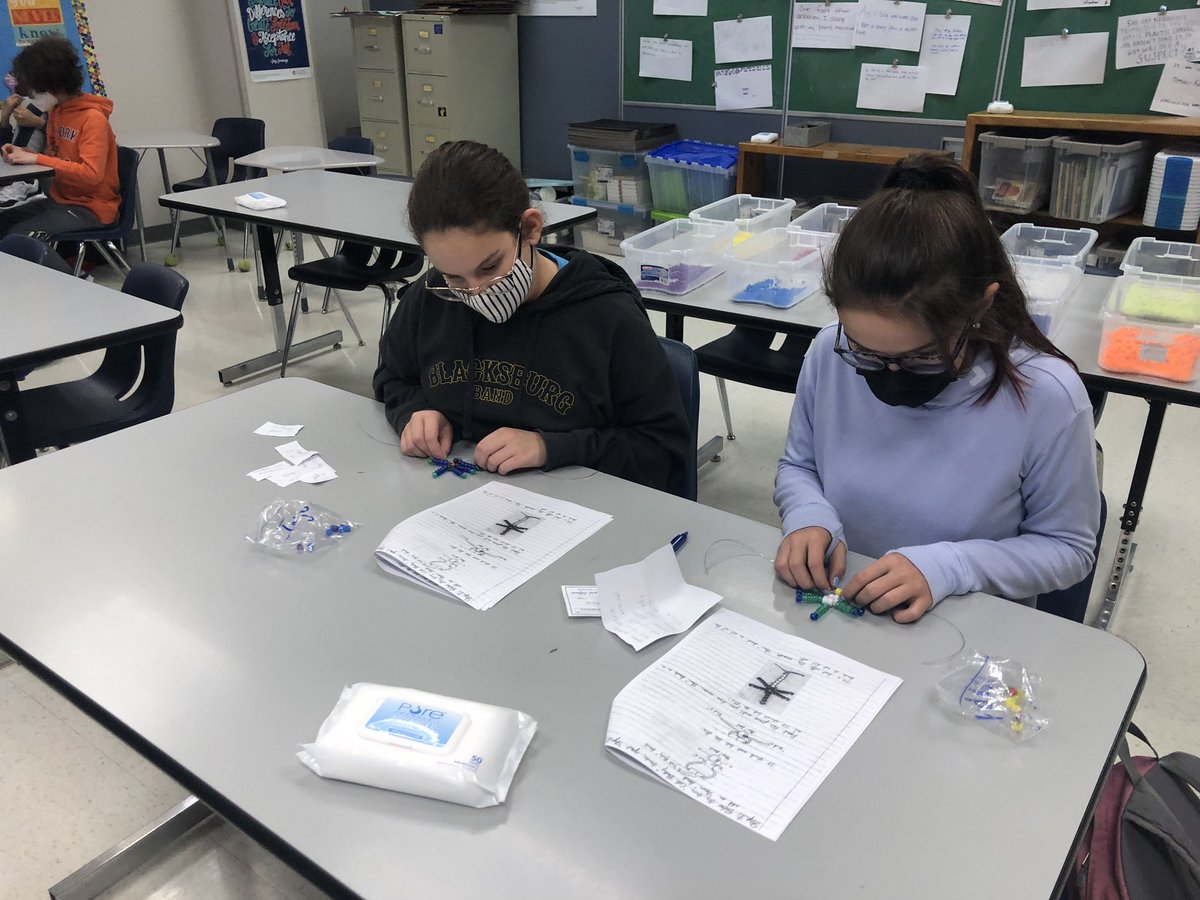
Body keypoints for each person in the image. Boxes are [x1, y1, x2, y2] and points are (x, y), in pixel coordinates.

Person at [774, 153, 1099, 623]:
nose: (887, 373)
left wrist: (951, 565)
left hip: (965, 629)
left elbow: (1068, 548)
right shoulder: (829, 352)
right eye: (864, 353)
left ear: (981, 306)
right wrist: (806, 513)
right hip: (847, 610)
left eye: (922, 357)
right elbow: (799, 465)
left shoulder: (1046, 396)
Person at [372, 140, 691, 494]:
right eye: (455, 277)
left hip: (578, 511)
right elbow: (392, 376)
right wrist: (414, 413)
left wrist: (551, 447)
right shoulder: (431, 297)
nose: (476, 292)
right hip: (456, 501)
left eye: (490, 266)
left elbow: (662, 451)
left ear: (530, 229)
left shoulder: (607, 317)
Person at [0, 35, 118, 239]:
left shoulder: (92, 118)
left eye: (34, 88)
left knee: (19, 236)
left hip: (91, 209)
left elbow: (91, 174)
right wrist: (23, 153)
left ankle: (75, 273)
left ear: (50, 83)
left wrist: (36, 158)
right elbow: (56, 158)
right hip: (59, 200)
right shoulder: (57, 112)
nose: (32, 94)